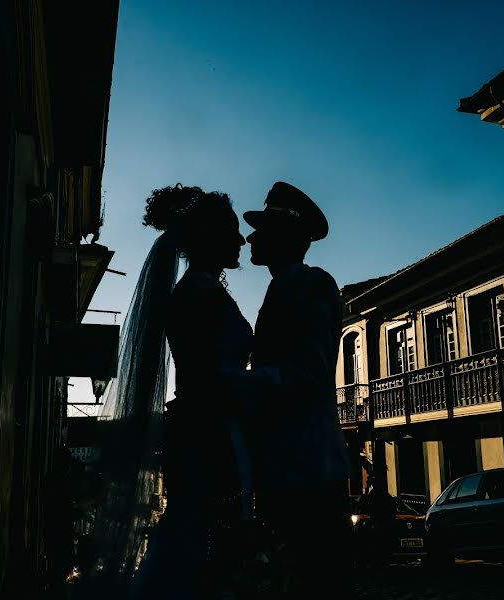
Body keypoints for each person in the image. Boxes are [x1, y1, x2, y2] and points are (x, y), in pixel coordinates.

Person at [121, 184, 252, 599]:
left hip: (199, 426)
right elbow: (212, 377)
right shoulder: (200, 293)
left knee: (196, 537)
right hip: (208, 431)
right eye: (232, 230)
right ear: (210, 235)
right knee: (207, 542)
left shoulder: (199, 290)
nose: (241, 239)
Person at [232, 181, 352, 597]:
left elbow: (310, 371)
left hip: (309, 466)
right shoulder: (278, 288)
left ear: (287, 236)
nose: (250, 237)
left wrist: (241, 383)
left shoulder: (315, 284)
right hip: (282, 465)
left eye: (261, 228)